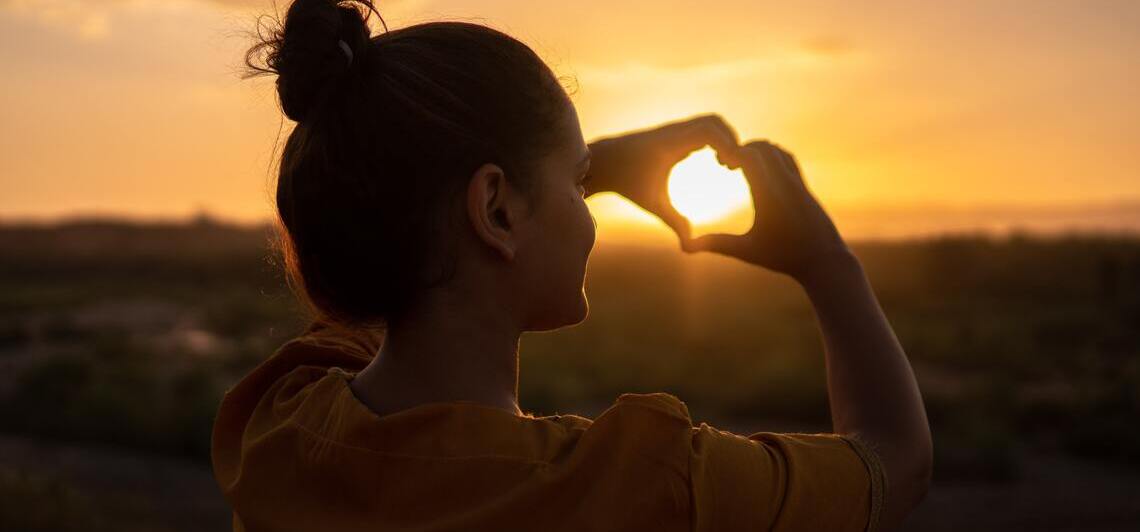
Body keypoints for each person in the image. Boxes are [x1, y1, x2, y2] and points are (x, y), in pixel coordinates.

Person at [210, 1, 932, 530]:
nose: (589, 208)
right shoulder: (645, 487)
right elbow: (893, 463)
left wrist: (570, 170)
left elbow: (408, 251)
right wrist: (827, 263)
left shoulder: (282, 425)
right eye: (577, 181)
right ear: (495, 210)